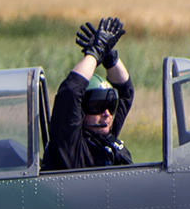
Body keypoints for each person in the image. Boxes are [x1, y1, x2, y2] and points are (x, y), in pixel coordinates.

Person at [43, 16, 133, 171]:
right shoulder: (70, 145)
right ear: (80, 111)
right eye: (96, 106)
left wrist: (108, 56)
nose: (106, 113)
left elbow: (126, 91)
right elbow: (71, 91)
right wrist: (95, 52)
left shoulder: (105, 135)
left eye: (110, 106)